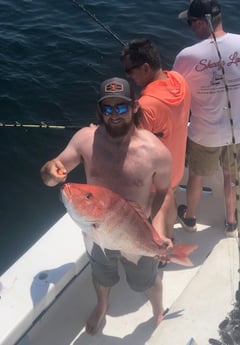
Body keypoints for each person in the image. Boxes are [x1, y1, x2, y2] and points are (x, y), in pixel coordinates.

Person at [40, 77, 172, 335]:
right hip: (96, 230)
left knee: (146, 281)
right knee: (101, 275)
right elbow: (51, 171)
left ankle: (158, 309)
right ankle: (102, 304)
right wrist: (50, 173)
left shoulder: (156, 152)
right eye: (107, 108)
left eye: (121, 107)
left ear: (134, 107)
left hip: (136, 230)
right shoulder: (85, 140)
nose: (114, 115)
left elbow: (164, 194)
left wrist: (157, 232)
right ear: (100, 110)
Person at [173, 0, 240, 236]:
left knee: (197, 176)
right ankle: (232, 223)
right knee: (231, 176)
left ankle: (190, 219)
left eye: (191, 23)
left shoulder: (186, 56)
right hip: (239, 132)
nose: (190, 27)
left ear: (201, 23)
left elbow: (176, 97)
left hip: (203, 134)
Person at [120, 38, 191, 241]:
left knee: (155, 214)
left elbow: (132, 146)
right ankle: (170, 237)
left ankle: (161, 248)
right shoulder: (179, 80)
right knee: (169, 200)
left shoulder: (146, 106)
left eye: (130, 71)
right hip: (176, 167)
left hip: (154, 179)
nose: (129, 76)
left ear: (145, 67)